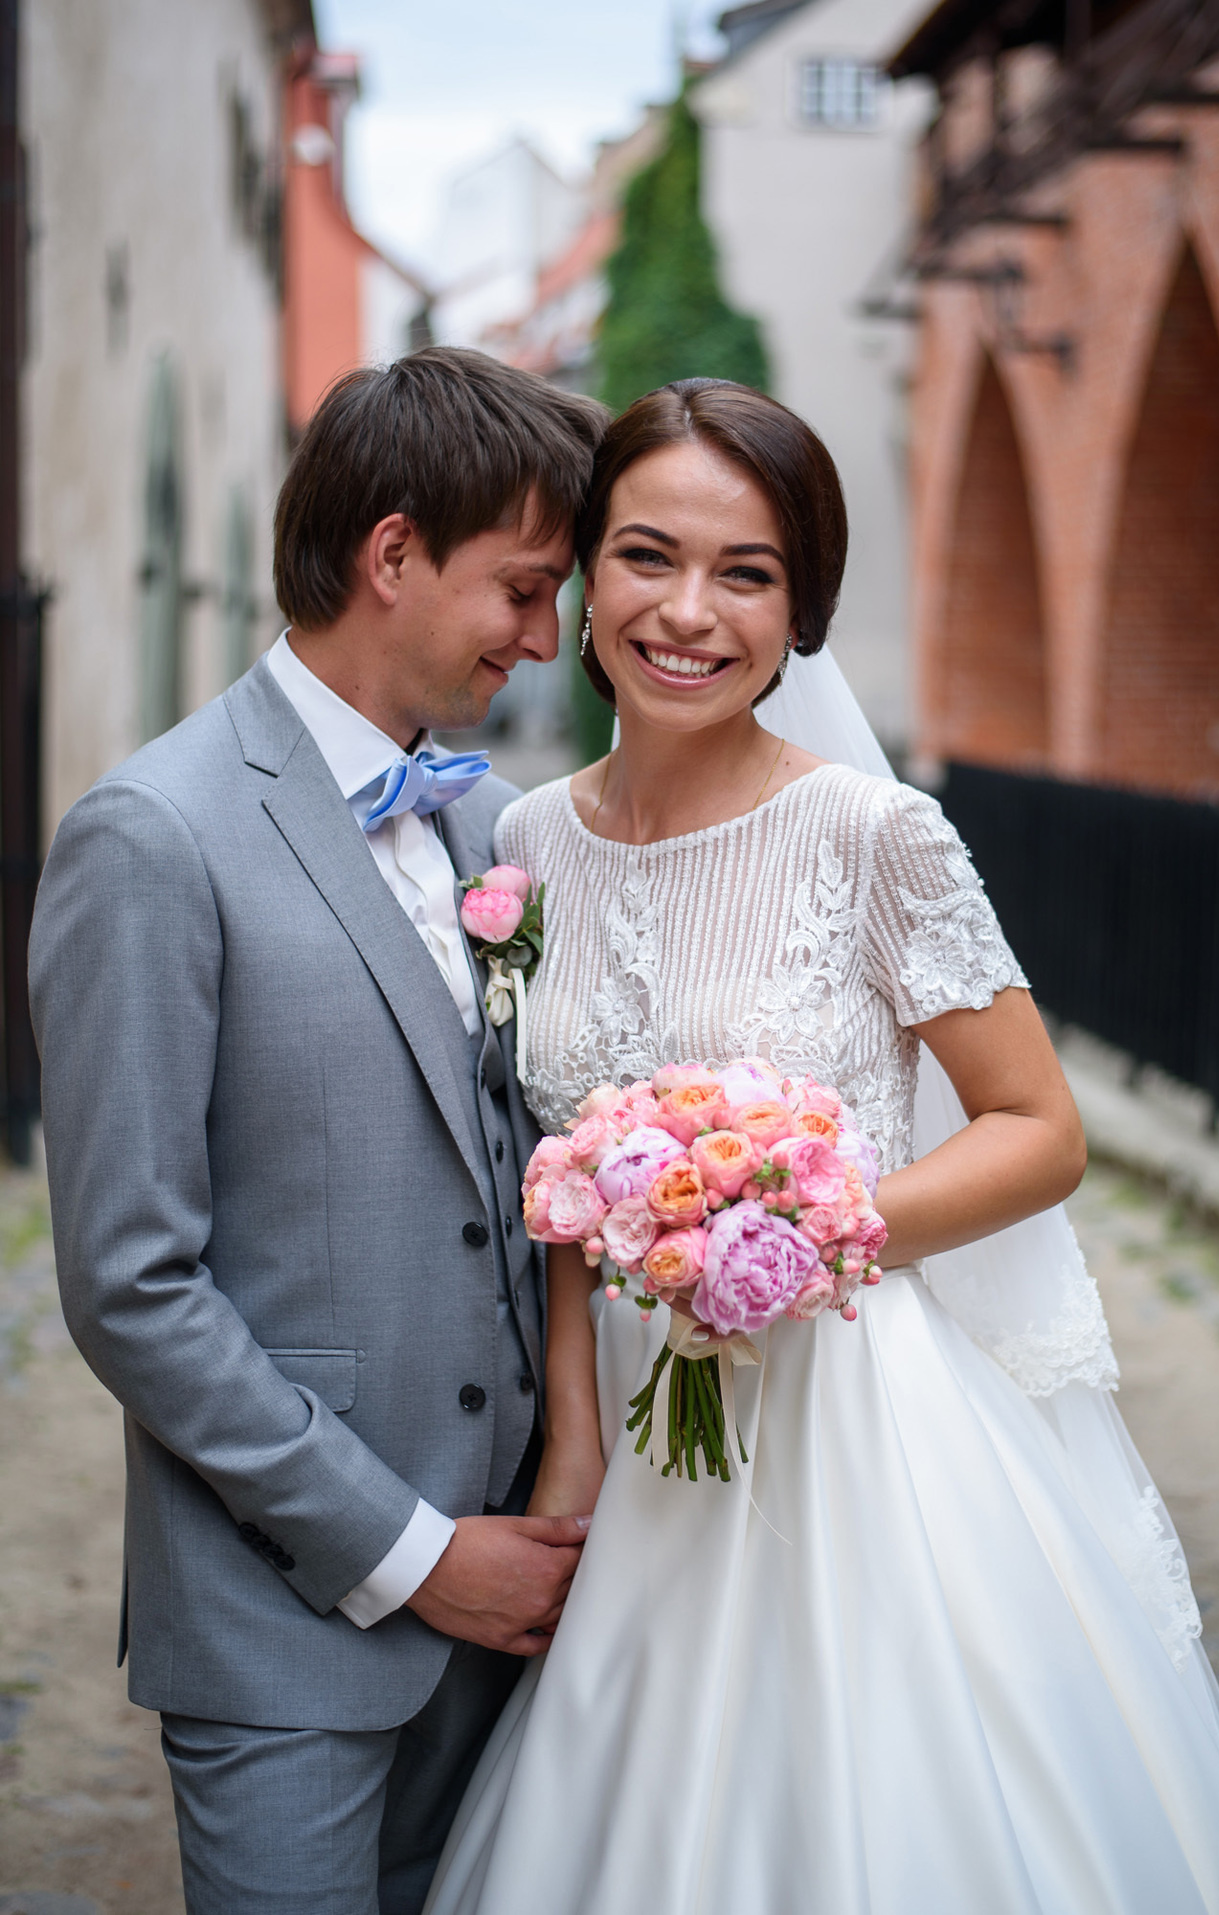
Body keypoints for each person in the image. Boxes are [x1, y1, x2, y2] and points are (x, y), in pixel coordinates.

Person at [423, 379, 1219, 1913]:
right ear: (584, 580)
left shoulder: (877, 838)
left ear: (801, 607)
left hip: (846, 1419)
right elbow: (559, 1171)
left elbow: (1040, 1127)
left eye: (746, 573)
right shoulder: (522, 845)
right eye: (647, 556)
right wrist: (572, 1426)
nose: (689, 613)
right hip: (628, 1409)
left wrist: (807, 1232)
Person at [29, 346, 609, 1913]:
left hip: (520, 1612)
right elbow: (134, 1288)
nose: (543, 640)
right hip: (287, 1629)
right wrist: (420, 1554)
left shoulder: (493, 828)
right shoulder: (150, 838)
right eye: (521, 588)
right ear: (395, 553)